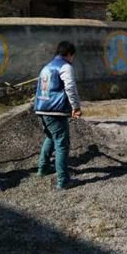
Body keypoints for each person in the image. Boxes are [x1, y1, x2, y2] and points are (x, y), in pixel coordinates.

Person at [34, 41, 82, 190]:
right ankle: (63, 180)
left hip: (41, 107)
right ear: (70, 54)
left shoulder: (46, 67)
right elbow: (70, 87)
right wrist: (76, 107)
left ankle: (43, 168)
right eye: (73, 56)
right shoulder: (65, 66)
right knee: (62, 144)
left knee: (50, 137)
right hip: (55, 109)